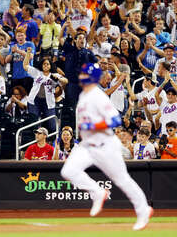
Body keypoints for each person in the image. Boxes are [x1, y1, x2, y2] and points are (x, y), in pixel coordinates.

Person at [60, 63, 153, 231]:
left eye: (83, 74)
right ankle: (97, 192)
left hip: (105, 146)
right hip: (88, 146)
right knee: (68, 171)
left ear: (90, 77)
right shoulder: (83, 95)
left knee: (122, 180)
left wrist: (94, 126)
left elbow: (115, 120)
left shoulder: (98, 95)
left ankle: (143, 210)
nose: (80, 76)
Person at [23, 48, 68, 133]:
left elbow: (66, 81)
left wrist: (59, 79)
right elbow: (25, 66)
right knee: (34, 123)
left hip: (48, 102)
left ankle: (53, 140)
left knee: (52, 124)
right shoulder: (37, 73)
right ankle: (35, 140)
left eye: (47, 64)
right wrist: (28, 53)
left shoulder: (54, 75)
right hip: (34, 100)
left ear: (51, 65)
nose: (45, 65)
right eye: (44, 64)